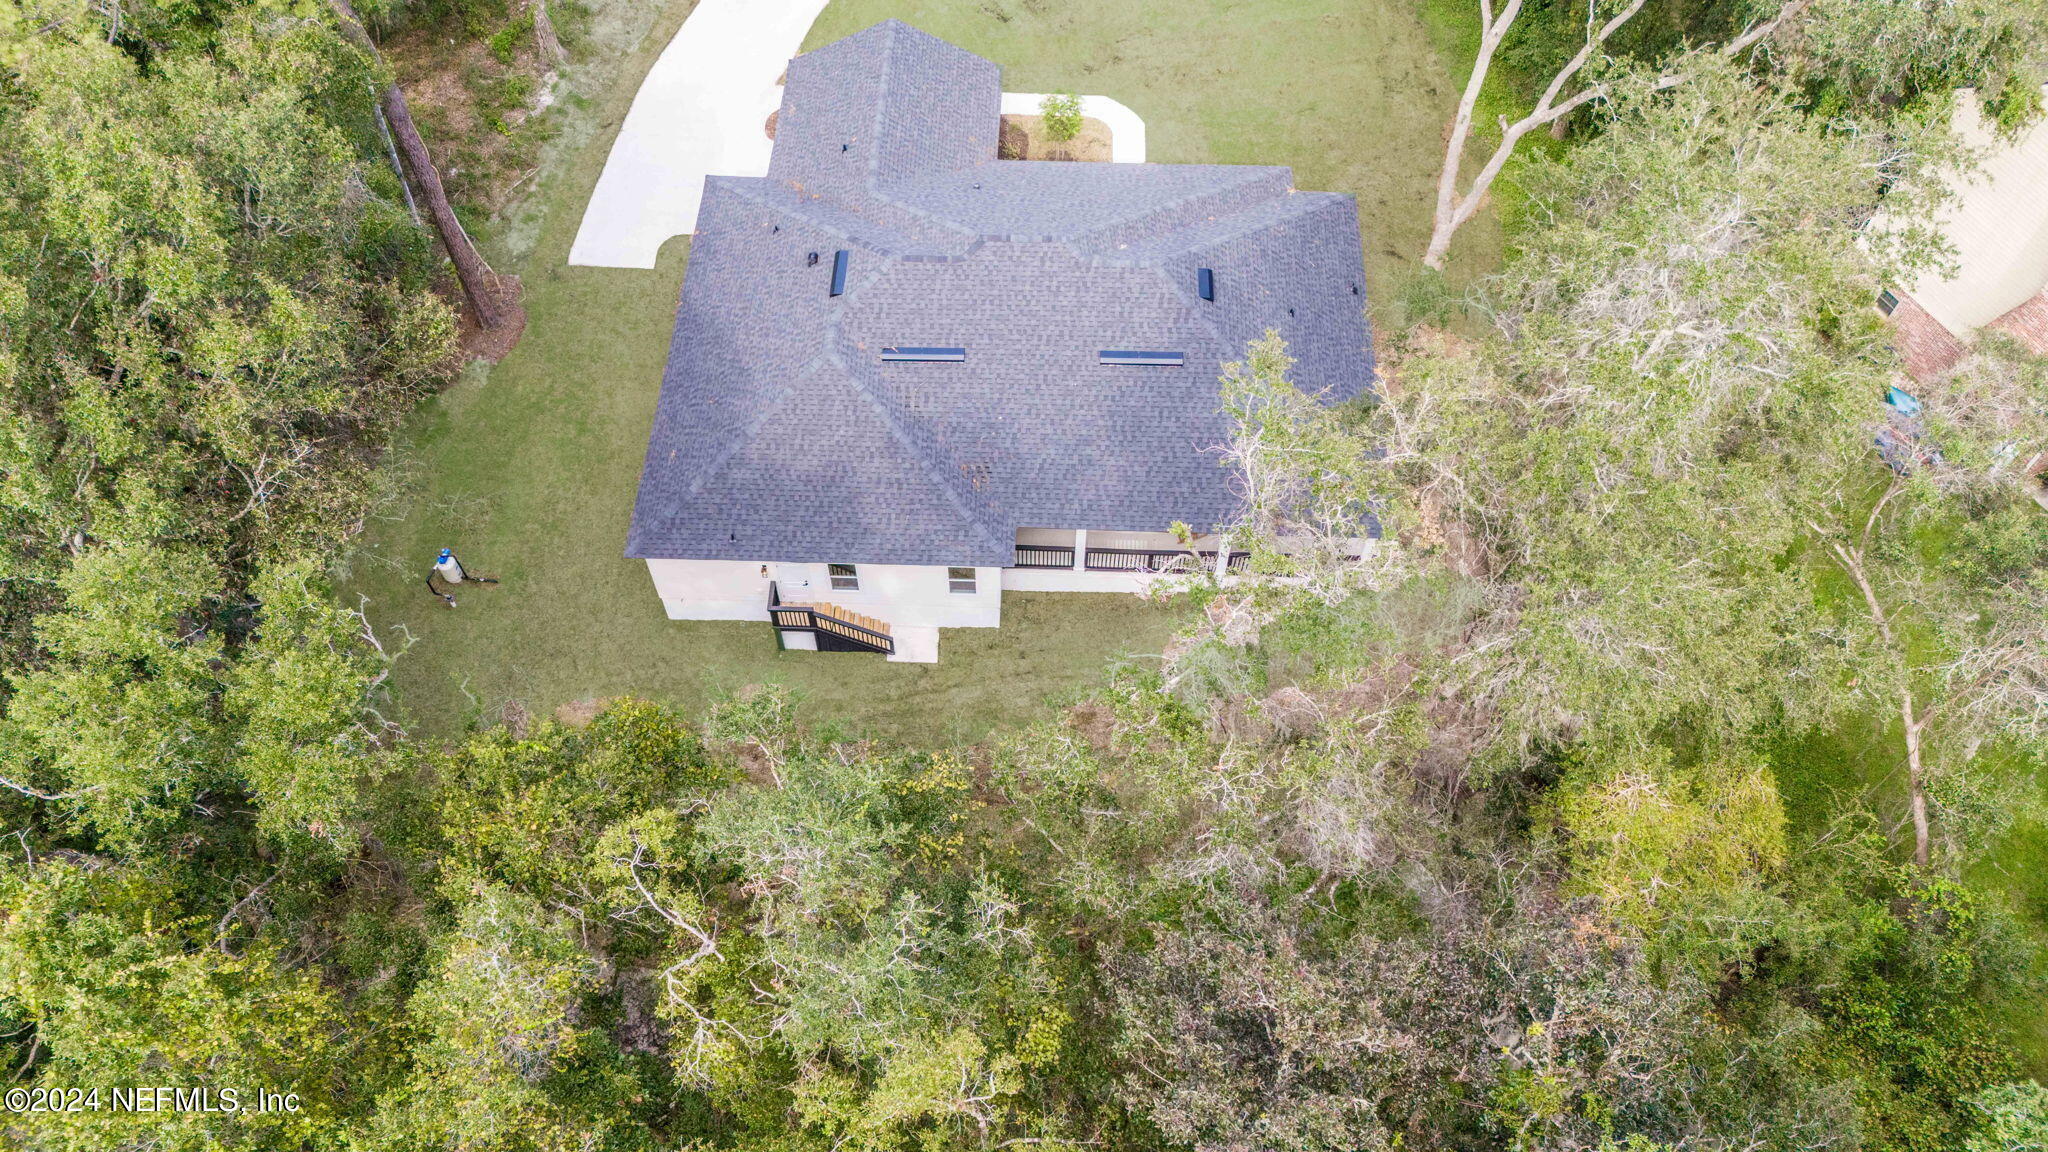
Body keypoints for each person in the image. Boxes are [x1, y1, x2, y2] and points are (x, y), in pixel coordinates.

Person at [425, 547, 497, 607]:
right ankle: (450, 596)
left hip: (457, 575)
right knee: (453, 575)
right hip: (452, 578)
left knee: (457, 573)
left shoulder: (450, 560)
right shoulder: (444, 563)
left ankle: (464, 578)